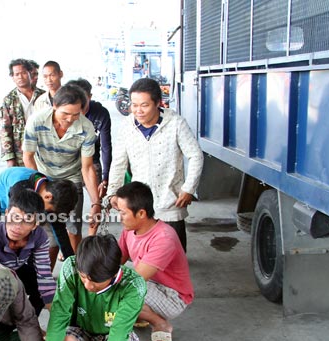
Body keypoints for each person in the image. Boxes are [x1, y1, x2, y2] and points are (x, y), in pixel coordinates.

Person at [106, 78, 203, 251]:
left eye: (144, 105)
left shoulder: (175, 123)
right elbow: (119, 162)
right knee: (144, 253)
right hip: (140, 204)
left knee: (173, 255)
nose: (138, 111)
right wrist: (112, 192)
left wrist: (189, 188)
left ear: (158, 103)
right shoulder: (126, 126)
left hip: (171, 202)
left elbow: (195, 155)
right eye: (134, 105)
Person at [23, 83, 102, 253]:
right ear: (54, 106)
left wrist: (96, 202)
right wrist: (40, 188)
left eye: (76, 114)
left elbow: (87, 168)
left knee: (73, 226)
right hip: (43, 177)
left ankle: (76, 270)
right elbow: (28, 157)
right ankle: (46, 275)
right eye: (65, 113)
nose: (69, 119)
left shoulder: (86, 128)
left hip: (71, 180)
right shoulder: (36, 121)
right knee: (45, 229)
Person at [115, 182, 194, 341]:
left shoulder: (164, 238)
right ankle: (142, 314)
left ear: (141, 213)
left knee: (117, 290)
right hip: (151, 284)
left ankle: (160, 323)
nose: (119, 217)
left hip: (173, 297)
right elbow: (116, 260)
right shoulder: (129, 229)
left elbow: (134, 281)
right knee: (106, 282)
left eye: (123, 213)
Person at [0, 189, 54, 315]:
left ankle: (30, 323)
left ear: (35, 224)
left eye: (27, 220)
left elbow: (44, 275)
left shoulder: (40, 237)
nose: (17, 226)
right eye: (14, 217)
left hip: (15, 270)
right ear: (6, 214)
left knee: (41, 287)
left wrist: (54, 313)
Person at [0, 166, 78, 268]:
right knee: (0, 245)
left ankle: (41, 275)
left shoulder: (53, 190)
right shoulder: (20, 190)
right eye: (50, 210)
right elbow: (15, 227)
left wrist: (72, 265)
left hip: (27, 206)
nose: (49, 213)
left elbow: (60, 230)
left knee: (50, 238)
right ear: (48, 197)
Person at [64, 78, 112, 200]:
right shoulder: (62, 113)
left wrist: (106, 177)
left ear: (89, 97)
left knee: (98, 200)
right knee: (71, 205)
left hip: (92, 159)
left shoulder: (101, 113)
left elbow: (106, 147)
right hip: (69, 162)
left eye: (83, 100)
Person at [0, 59, 45, 167]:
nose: (20, 77)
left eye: (23, 73)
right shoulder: (9, 100)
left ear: (31, 73)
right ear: (13, 77)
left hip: (43, 151)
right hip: (21, 153)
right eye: (16, 74)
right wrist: (9, 158)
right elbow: (5, 130)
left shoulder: (43, 96)